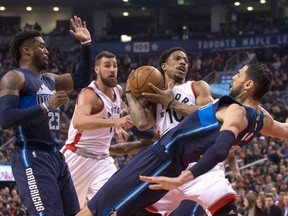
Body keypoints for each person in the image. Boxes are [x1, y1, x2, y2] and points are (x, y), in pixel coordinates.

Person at [77, 61, 288, 216]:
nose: (234, 76)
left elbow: (219, 150)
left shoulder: (236, 111)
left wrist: (182, 179)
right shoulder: (261, 117)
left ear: (249, 84)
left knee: (98, 208)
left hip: (162, 159)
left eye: (239, 74)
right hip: (169, 160)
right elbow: (285, 130)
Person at [119, 47, 241, 216]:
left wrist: (171, 103)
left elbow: (212, 116)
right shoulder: (154, 95)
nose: (183, 62)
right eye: (177, 59)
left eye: (186, 60)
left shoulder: (197, 87)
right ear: (164, 66)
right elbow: (141, 124)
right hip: (170, 165)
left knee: (227, 210)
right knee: (140, 211)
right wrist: (130, 93)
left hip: (200, 164)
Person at [0, 16, 92, 215]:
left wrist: (85, 44)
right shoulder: (15, 77)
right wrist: (46, 106)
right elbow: (5, 118)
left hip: (56, 156)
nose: (47, 51)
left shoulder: (50, 79)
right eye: (42, 47)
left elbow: (82, 79)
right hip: (31, 154)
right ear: (27, 50)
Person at [60, 51, 134, 208]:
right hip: (77, 157)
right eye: (107, 65)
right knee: (66, 210)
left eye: (114, 65)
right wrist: (115, 122)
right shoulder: (89, 94)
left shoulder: (117, 90)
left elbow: (119, 105)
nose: (112, 69)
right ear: (97, 69)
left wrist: (121, 120)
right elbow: (79, 122)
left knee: (115, 203)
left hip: (102, 160)